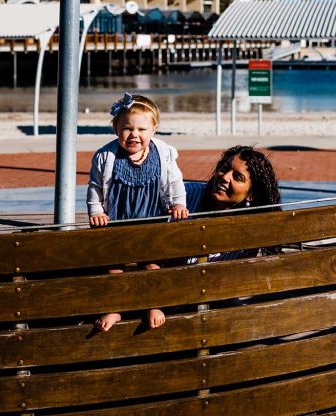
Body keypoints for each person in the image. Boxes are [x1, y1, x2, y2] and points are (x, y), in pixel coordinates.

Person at [87, 92, 187, 331]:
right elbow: (95, 187)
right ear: (116, 129)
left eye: (142, 129)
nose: (134, 135)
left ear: (154, 130)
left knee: (151, 266)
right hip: (117, 223)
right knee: (115, 269)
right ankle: (116, 307)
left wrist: (178, 204)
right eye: (127, 128)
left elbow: (175, 182)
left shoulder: (163, 153)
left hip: (151, 221)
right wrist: (96, 211)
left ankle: (153, 304)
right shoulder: (106, 156)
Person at [185, 145, 282, 262]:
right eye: (224, 169)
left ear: (252, 195)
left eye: (237, 177)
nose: (225, 177)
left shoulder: (253, 229)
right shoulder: (186, 194)